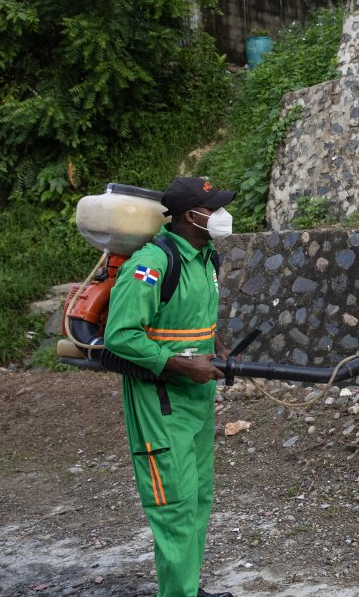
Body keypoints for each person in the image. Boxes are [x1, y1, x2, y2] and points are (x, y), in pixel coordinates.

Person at [104, 177, 237, 597]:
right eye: (211, 207)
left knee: (197, 501)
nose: (220, 215)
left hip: (197, 399)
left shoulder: (205, 257)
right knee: (173, 507)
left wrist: (216, 345)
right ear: (188, 216)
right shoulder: (151, 264)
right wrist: (181, 363)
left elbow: (194, 316)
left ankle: (188, 590)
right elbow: (121, 335)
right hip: (160, 402)